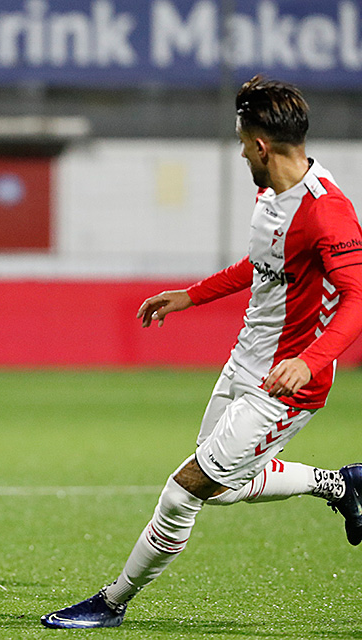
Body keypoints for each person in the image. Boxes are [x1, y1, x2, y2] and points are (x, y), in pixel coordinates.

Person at [42, 76, 362, 629]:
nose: (239, 151)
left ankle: (111, 602)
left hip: (286, 386)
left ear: (262, 146)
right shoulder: (270, 195)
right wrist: (190, 295)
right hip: (244, 362)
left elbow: (358, 297)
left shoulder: (328, 213)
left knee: (186, 488)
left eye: (242, 141)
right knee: (224, 486)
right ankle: (341, 484)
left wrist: (309, 361)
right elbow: (258, 264)